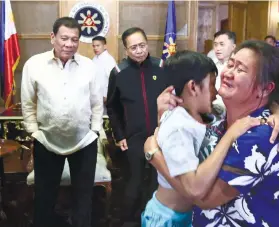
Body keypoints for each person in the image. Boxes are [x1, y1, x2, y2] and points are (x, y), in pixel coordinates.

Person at [144, 40, 279, 226]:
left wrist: (153, 155)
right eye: (230, 64)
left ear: (265, 88)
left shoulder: (259, 135)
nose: (228, 73)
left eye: (240, 70)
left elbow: (203, 198)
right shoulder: (218, 116)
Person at [21, 17, 103, 227]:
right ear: (52, 38)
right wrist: (34, 132)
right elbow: (28, 103)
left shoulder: (88, 66)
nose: (69, 44)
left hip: (84, 142)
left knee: (83, 198)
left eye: (74, 39)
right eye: (64, 38)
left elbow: (96, 103)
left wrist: (94, 131)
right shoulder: (34, 65)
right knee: (44, 198)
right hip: (46, 141)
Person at [106, 27, 167, 223]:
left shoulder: (161, 66)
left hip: (161, 136)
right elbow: (112, 107)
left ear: (147, 44)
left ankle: (153, 219)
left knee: (158, 181)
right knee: (134, 181)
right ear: (126, 50)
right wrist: (119, 135)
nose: (139, 50)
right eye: (133, 47)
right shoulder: (118, 72)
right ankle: (130, 220)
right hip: (133, 137)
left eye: (142, 45)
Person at [212, 30, 236, 113]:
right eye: (215, 45)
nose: (217, 48)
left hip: (228, 109)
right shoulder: (210, 63)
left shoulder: (237, 67)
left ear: (233, 47)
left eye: (222, 44)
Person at [92, 36, 116, 113]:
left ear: (104, 46)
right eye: (93, 46)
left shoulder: (109, 60)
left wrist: (106, 95)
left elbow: (113, 80)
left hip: (105, 97)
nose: (95, 48)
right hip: (96, 95)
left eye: (98, 46)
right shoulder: (95, 58)